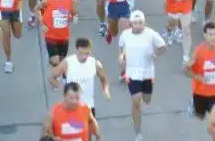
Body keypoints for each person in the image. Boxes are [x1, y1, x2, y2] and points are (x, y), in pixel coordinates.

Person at [118, 10, 167, 141]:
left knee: (147, 99)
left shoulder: (151, 34)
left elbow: (163, 47)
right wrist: (121, 60)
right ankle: (138, 132)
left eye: (140, 23)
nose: (138, 25)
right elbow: (121, 50)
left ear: (144, 23)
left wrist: (156, 54)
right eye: (135, 23)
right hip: (132, 72)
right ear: (131, 23)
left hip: (147, 72)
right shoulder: (125, 35)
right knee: (136, 100)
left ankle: (142, 101)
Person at [49, 38, 111, 116]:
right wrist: (63, 89)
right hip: (71, 107)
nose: (84, 56)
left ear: (90, 51)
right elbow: (52, 77)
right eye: (81, 53)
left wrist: (106, 90)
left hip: (88, 107)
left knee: (91, 124)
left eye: (86, 53)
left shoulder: (95, 63)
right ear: (76, 50)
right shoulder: (67, 63)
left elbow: (104, 79)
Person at [185, 21, 215, 120]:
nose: (213, 37)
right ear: (205, 35)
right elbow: (186, 71)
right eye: (210, 34)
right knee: (200, 116)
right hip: (200, 92)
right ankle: (193, 104)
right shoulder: (198, 51)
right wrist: (198, 78)